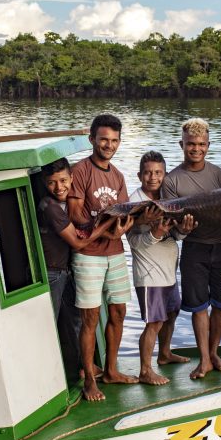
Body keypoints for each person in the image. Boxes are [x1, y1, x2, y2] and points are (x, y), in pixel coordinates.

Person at [67, 114, 136, 401]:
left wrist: (126, 225)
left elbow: (124, 213)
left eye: (114, 140)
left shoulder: (118, 176)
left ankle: (111, 370)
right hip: (88, 255)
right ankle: (89, 381)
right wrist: (105, 230)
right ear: (92, 139)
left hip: (116, 253)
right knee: (90, 318)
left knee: (118, 311)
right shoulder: (81, 171)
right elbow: (75, 213)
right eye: (104, 139)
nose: (109, 145)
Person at [161, 118, 221, 380]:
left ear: (208, 145)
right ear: (182, 144)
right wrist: (185, 229)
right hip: (195, 249)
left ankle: (214, 352)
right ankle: (204, 359)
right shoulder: (171, 181)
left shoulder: (219, 175)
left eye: (201, 144)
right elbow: (172, 226)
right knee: (199, 306)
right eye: (191, 144)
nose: (196, 149)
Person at [35, 158, 115, 382]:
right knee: (50, 323)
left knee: (76, 320)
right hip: (52, 273)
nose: (59, 187)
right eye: (52, 183)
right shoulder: (49, 207)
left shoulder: (66, 204)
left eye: (63, 181)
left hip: (65, 271)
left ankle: (82, 367)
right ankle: (46, 377)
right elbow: (78, 243)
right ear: (44, 182)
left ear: (71, 178)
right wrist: (107, 227)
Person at [126, 151, 196, 385]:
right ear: (139, 175)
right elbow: (133, 241)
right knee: (154, 322)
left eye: (157, 172)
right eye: (147, 173)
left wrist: (184, 230)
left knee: (172, 313)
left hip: (168, 272)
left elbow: (175, 234)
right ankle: (146, 370)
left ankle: (165, 354)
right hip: (149, 275)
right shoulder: (134, 203)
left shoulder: (169, 198)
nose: (153, 177)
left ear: (165, 175)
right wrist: (155, 233)